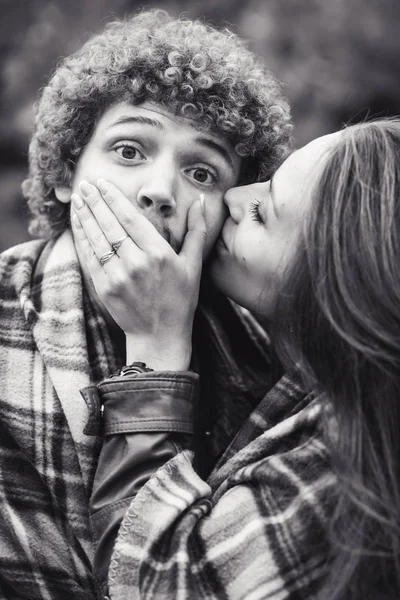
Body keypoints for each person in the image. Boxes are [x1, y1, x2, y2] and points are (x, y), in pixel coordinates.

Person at [0, 10, 292, 599]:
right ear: (66, 173)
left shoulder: (271, 351)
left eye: (201, 171)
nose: (160, 190)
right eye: (130, 149)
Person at [84, 119, 400, 599]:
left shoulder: (347, 469)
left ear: (338, 280)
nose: (232, 198)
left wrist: (154, 346)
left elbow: (153, 583)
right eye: (129, 151)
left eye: (263, 212)